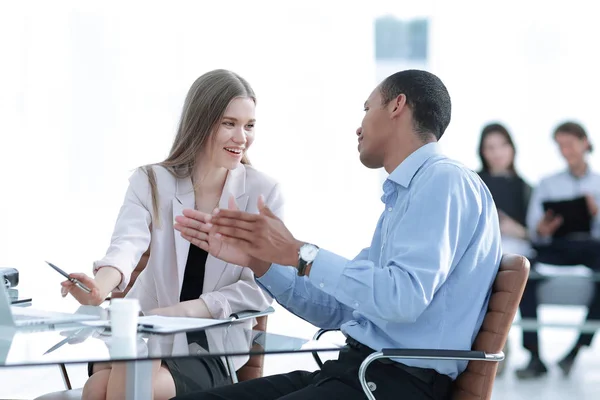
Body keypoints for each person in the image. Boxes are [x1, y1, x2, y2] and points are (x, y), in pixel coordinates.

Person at [173, 69, 503, 400]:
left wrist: (301, 253)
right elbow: (341, 308)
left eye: (367, 108)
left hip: (395, 384)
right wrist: (260, 262)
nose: (359, 127)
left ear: (397, 106)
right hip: (358, 372)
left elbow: (403, 298)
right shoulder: (408, 196)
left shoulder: (444, 181)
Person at [59, 69, 282, 400]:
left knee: (115, 387)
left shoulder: (263, 192)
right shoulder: (151, 181)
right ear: (201, 122)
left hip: (206, 347)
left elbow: (263, 288)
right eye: (229, 123)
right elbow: (125, 247)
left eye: (249, 126)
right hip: (143, 333)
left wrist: (187, 311)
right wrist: (98, 288)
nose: (242, 137)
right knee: (99, 385)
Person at [517, 121, 600, 379]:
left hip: (591, 247)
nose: (565, 151)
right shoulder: (547, 184)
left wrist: (595, 213)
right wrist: (543, 229)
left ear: (585, 143)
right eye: (560, 146)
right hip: (556, 245)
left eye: (570, 144)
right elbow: (534, 230)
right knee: (523, 271)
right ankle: (534, 356)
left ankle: (574, 352)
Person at [477, 123, 533, 376]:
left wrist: (513, 227)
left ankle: (502, 345)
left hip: (519, 253)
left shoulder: (526, 188)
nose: (497, 152)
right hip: (484, 251)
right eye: (490, 147)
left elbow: (535, 234)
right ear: (482, 151)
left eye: (502, 145)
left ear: (512, 148)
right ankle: (494, 346)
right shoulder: (474, 182)